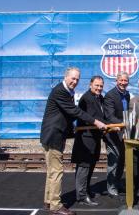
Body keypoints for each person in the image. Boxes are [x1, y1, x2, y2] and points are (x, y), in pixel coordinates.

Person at [41, 67, 106, 215]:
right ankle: (56, 206)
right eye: (73, 78)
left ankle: (49, 201)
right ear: (66, 77)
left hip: (56, 135)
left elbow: (67, 115)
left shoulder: (67, 92)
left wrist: (71, 131)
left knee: (52, 171)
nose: (75, 81)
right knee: (57, 171)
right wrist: (95, 122)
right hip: (53, 136)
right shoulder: (60, 91)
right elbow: (74, 111)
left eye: (77, 79)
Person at [71, 75, 105, 206]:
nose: (99, 88)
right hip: (85, 138)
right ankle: (81, 196)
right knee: (84, 167)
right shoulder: (86, 98)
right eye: (96, 85)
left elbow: (102, 116)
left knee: (90, 166)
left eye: (101, 86)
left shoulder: (100, 98)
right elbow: (92, 117)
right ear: (91, 84)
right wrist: (104, 124)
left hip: (94, 138)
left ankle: (86, 190)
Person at [103, 71, 130, 198]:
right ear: (116, 81)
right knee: (113, 162)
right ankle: (111, 187)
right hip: (113, 135)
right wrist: (123, 124)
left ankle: (118, 183)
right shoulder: (110, 95)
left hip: (124, 134)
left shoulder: (127, 95)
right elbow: (109, 116)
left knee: (121, 161)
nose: (123, 83)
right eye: (121, 80)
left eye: (125, 81)